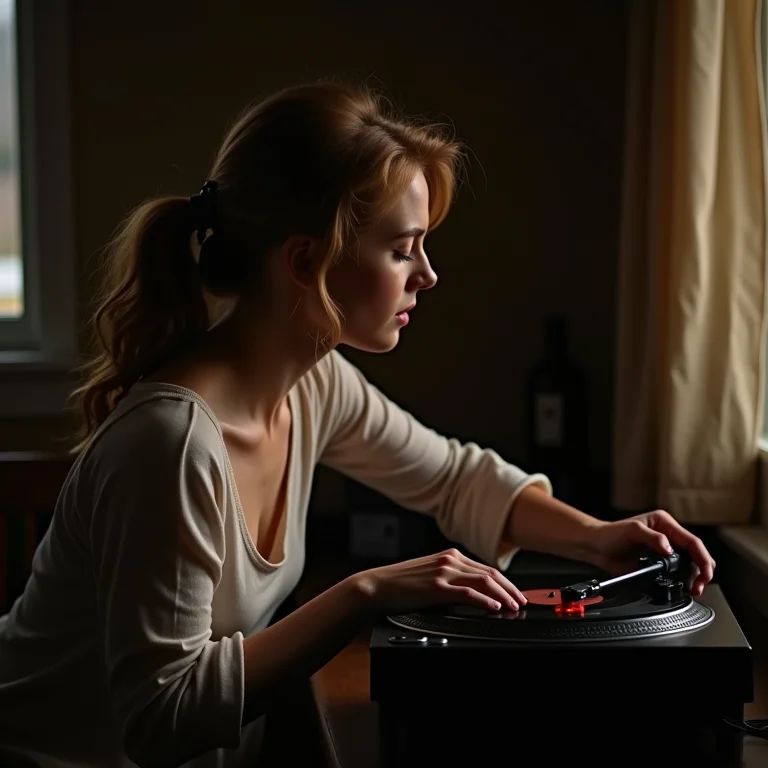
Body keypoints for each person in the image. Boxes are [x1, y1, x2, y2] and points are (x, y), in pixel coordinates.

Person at [0, 80, 715, 768]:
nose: (427, 275)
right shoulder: (173, 444)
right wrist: (363, 593)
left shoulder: (314, 384)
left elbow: (454, 479)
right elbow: (161, 717)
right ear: (306, 260)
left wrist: (597, 537)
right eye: (403, 249)